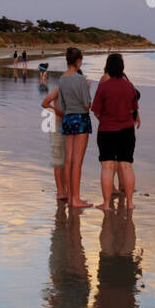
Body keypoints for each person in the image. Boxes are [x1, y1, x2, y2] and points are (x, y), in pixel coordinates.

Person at [91, 52, 140, 210]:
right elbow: (134, 108)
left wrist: (105, 120)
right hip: (127, 130)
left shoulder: (104, 86)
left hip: (106, 130)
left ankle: (106, 204)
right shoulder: (129, 86)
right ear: (122, 67)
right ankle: (130, 203)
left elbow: (96, 110)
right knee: (127, 166)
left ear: (108, 67)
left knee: (107, 167)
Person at [58, 47, 94, 208]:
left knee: (69, 160)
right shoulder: (81, 80)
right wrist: (87, 88)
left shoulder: (62, 79)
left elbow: (62, 105)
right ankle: (75, 199)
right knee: (77, 162)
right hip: (80, 118)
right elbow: (87, 105)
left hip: (67, 118)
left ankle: (71, 196)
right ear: (78, 61)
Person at [42, 81, 68, 201]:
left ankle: (66, 189)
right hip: (57, 125)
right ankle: (60, 191)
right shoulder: (60, 88)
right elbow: (45, 103)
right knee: (58, 160)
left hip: (69, 126)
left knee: (66, 160)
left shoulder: (74, 89)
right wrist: (59, 112)